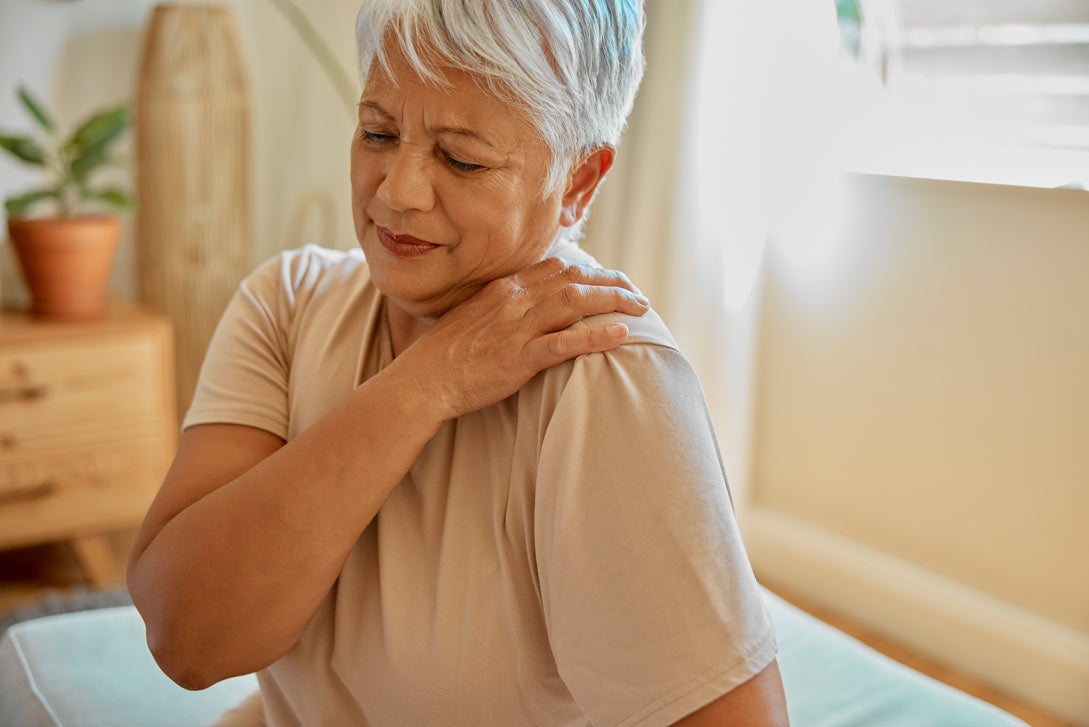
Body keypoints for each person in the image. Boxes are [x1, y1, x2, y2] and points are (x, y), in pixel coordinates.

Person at [127, 0, 789, 724]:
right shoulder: (286, 302)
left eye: (462, 159)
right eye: (378, 133)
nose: (397, 191)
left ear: (577, 182)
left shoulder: (605, 374)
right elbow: (186, 637)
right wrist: (426, 382)